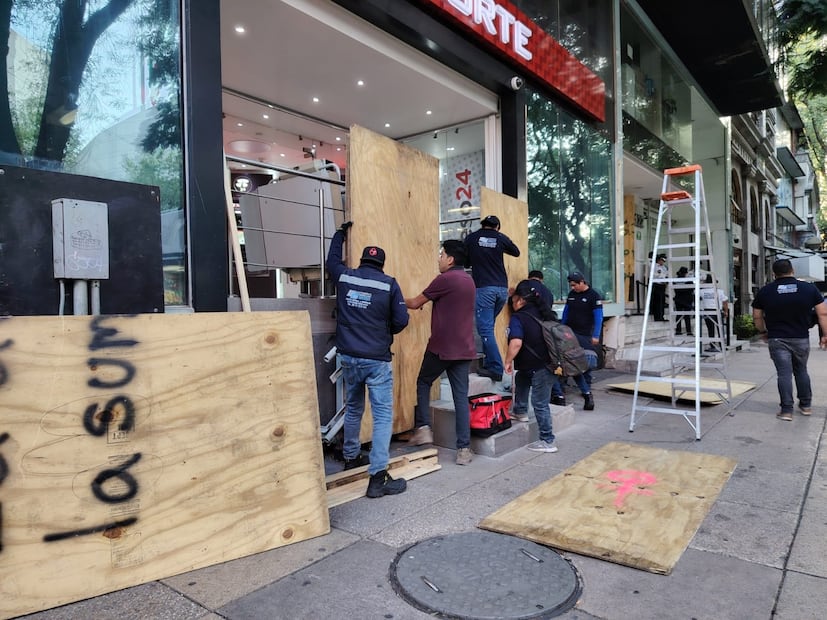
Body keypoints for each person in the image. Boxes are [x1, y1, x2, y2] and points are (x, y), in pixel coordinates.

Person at [326, 222, 410, 498]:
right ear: (381, 265)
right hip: (376, 360)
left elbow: (332, 261)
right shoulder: (389, 285)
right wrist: (383, 330)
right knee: (383, 415)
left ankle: (351, 457)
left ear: (362, 260)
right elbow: (401, 321)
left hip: (349, 357)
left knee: (353, 408)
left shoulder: (345, 277)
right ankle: (378, 477)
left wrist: (339, 235)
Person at [406, 239, 477, 465]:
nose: (439, 258)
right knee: (460, 398)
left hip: (441, 347)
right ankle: (463, 450)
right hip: (465, 349)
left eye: (441, 254)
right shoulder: (469, 281)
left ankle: (424, 428)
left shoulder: (445, 279)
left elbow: (416, 303)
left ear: (450, 259)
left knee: (423, 381)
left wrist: (390, 296)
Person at [752, 259, 827, 421]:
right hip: (801, 338)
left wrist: (763, 331)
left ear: (774, 274)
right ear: (792, 270)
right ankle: (806, 406)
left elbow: (757, 316)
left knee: (784, 373)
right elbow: (823, 313)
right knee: (801, 370)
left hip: (777, 338)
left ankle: (786, 411)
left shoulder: (765, 291)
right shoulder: (809, 289)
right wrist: (825, 335)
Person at [463, 215, 521, 382]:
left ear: (483, 225)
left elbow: (466, 262)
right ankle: (490, 363)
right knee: (488, 327)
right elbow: (516, 252)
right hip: (501, 290)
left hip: (485, 289)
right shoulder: (500, 238)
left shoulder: (472, 238)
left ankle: (495, 367)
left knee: (485, 329)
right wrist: (499, 242)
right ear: (497, 227)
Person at [504, 280, 559, 452]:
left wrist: (507, 361)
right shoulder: (544, 314)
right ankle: (520, 411)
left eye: (513, 301)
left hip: (542, 368)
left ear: (520, 300)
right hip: (545, 365)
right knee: (522, 378)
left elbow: (516, 343)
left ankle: (547, 440)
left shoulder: (519, 317)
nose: (512, 305)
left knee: (540, 403)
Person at [551, 271, 602, 410]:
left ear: (582, 282)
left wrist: (596, 335)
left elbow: (598, 317)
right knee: (566, 359)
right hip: (569, 333)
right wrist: (562, 328)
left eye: (574, 285)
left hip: (585, 334)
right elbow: (567, 311)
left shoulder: (593, 296)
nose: (572, 288)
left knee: (583, 361)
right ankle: (563, 385)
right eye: (571, 285)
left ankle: (587, 386)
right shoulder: (572, 295)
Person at [700, 274, 729, 352]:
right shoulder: (719, 291)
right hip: (717, 312)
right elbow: (725, 301)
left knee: (710, 329)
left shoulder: (701, 291)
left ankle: (712, 346)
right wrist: (726, 311)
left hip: (707, 312)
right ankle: (722, 346)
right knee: (720, 330)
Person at [673, 266, 694, 336]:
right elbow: (692, 289)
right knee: (687, 316)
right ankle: (688, 331)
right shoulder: (688, 280)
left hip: (678, 299)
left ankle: (678, 330)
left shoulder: (676, 280)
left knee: (678, 315)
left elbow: (675, 289)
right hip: (687, 300)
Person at [651, 254, 668, 321]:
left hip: (662, 286)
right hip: (657, 285)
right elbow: (655, 276)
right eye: (662, 260)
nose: (663, 262)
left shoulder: (664, 267)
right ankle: (657, 316)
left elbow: (666, 275)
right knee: (657, 302)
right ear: (659, 259)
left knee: (662, 301)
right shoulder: (654, 266)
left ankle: (661, 316)